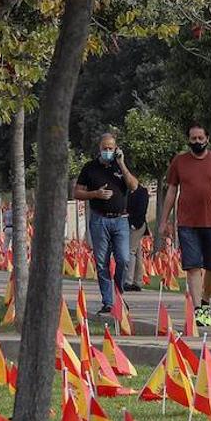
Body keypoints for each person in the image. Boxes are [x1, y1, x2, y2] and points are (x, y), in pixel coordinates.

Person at [158, 123, 211, 328]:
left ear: (207, 139)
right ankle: (198, 310)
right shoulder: (179, 161)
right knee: (193, 266)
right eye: (193, 139)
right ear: (188, 140)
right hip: (187, 223)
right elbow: (171, 191)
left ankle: (205, 302)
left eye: (200, 138)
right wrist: (164, 220)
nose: (197, 142)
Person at [73, 132, 139, 316]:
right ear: (99, 149)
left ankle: (118, 293)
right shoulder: (90, 168)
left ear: (116, 149)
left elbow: (134, 186)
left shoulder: (120, 167)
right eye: (105, 148)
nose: (108, 151)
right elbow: (77, 192)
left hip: (120, 220)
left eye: (111, 148)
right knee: (101, 262)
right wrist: (95, 194)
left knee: (123, 259)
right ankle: (108, 301)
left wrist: (122, 164)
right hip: (99, 219)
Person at [123, 176, 150, 292]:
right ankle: (137, 281)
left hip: (137, 225)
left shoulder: (142, 192)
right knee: (137, 253)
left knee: (131, 251)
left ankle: (128, 280)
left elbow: (141, 210)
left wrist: (134, 224)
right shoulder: (129, 192)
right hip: (131, 224)